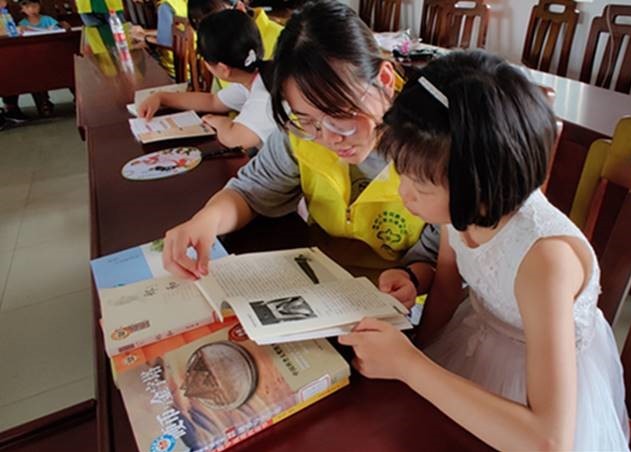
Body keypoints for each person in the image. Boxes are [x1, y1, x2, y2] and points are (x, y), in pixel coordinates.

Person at [339, 51, 630, 451]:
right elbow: (446, 286)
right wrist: (414, 351)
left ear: (479, 187)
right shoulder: (463, 209)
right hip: (476, 336)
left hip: (538, 392)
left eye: (420, 187)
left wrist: (409, 365)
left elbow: (549, 442)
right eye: (402, 176)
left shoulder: (544, 259)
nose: (405, 196)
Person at [162, 0, 435, 285]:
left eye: (340, 116)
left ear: (385, 81)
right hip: (323, 279)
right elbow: (251, 191)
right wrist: (206, 221)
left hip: (397, 296)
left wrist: (411, 278)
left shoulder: (431, 145)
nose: (329, 138)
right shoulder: (300, 135)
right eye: (307, 120)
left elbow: (440, 260)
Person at [138, 9, 277, 149]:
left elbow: (234, 140)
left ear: (223, 69)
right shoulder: (254, 77)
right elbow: (213, 101)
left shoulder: (264, 94)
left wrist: (218, 121)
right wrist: (161, 97)